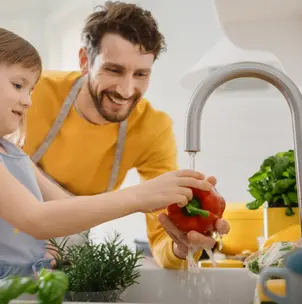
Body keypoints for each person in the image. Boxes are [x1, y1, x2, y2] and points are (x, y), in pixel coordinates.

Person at [0, 24, 214, 291]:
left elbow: (69, 209)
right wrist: (139, 197)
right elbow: (37, 219)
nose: (29, 100)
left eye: (30, 90)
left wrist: (175, 204)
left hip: (23, 288)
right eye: (18, 85)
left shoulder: (13, 152)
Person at [23, 1, 230, 270]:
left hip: (65, 260)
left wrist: (181, 248)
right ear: (86, 61)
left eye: (140, 74)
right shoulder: (34, 93)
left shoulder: (152, 129)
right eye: (114, 70)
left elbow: (161, 237)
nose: (126, 89)